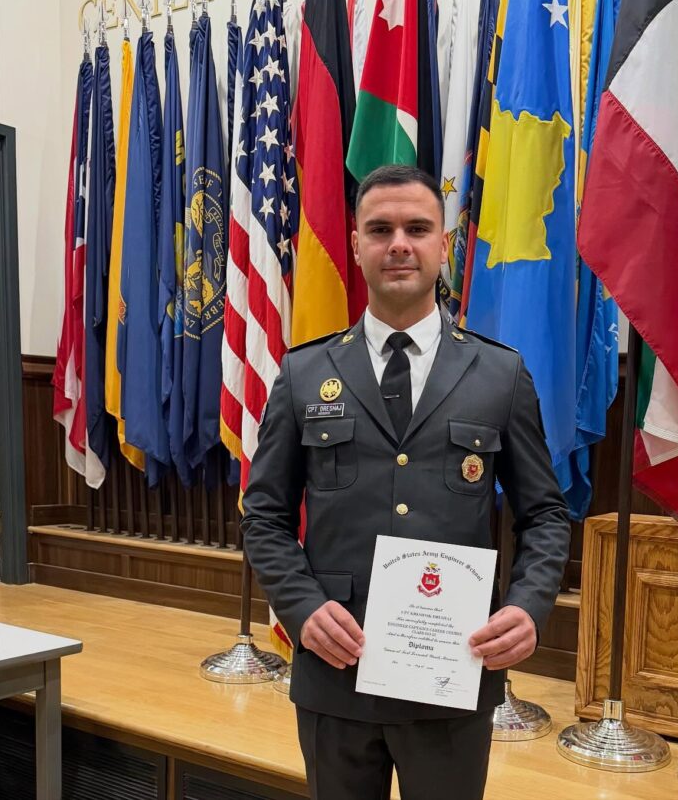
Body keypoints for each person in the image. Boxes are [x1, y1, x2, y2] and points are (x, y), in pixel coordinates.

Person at [242, 164, 571, 800]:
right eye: (380, 229)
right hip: (337, 673)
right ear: (356, 245)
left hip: (453, 678)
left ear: (443, 245)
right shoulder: (304, 373)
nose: (399, 244)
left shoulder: (499, 375)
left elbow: (545, 515)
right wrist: (302, 608)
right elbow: (265, 515)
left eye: (417, 229)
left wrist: (528, 608)